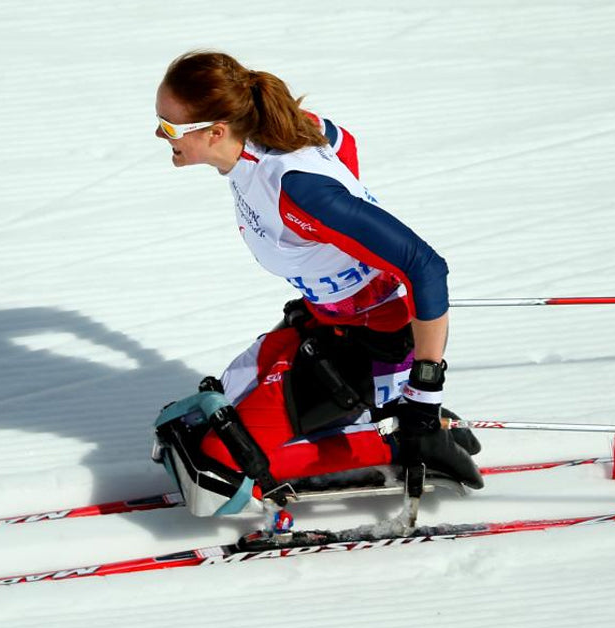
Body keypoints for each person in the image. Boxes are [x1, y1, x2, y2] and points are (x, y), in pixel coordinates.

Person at [150, 51, 481, 517]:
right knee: (213, 404)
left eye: (168, 128)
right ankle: (373, 415)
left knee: (217, 467)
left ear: (216, 131)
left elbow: (426, 268)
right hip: (330, 325)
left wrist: (425, 394)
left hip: (377, 346)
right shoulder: (271, 132)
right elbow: (341, 141)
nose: (160, 136)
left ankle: (413, 437)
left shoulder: (299, 192)